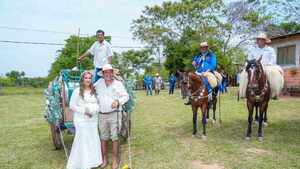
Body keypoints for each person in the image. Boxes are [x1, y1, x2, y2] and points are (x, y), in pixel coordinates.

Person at [94, 64, 129, 169]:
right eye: (106, 72)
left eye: (110, 72)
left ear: (112, 73)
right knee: (103, 137)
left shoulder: (118, 84)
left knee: (114, 137)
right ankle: (104, 159)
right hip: (101, 114)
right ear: (103, 74)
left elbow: (126, 96)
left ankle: (115, 160)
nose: (108, 74)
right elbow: (90, 91)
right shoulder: (98, 83)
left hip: (115, 113)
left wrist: (118, 101)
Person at [67, 71, 102, 169]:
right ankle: (83, 163)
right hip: (81, 119)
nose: (88, 80)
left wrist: (95, 110)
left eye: (90, 78)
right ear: (82, 79)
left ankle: (94, 161)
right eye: (86, 78)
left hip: (93, 119)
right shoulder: (77, 91)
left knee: (93, 138)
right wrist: (84, 111)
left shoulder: (94, 90)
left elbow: (98, 103)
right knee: (83, 139)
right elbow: (72, 105)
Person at [239, 32, 284, 99]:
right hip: (254, 67)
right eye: (259, 39)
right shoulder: (253, 49)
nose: (260, 41)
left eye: (262, 39)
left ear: (265, 41)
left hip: (267, 66)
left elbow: (273, 59)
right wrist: (247, 65)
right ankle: (243, 93)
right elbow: (249, 59)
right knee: (244, 73)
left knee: (275, 73)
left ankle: (274, 93)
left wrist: (268, 65)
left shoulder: (270, 49)